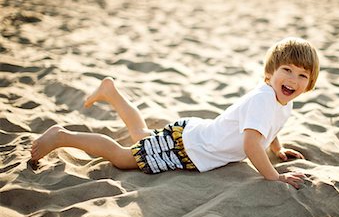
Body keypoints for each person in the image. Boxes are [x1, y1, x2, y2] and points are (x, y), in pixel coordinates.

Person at [31, 37, 319, 189]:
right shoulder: (263, 100)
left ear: (309, 83)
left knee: (141, 136)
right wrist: (274, 177)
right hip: (189, 147)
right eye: (287, 71)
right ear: (270, 74)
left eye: (302, 76)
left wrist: (278, 151)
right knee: (122, 157)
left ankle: (111, 92)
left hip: (194, 137)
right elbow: (250, 143)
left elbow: (271, 128)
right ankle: (61, 137)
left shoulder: (283, 100)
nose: (293, 80)